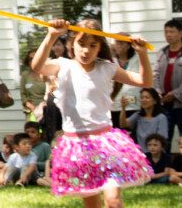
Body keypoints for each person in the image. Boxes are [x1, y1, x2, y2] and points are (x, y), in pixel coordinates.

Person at [29, 18, 153, 207]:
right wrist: (51, 35)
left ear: (99, 47)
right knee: (92, 204)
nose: (86, 50)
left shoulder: (107, 68)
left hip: (104, 143)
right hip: (77, 146)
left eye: (92, 45)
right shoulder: (63, 66)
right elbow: (37, 66)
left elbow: (145, 81)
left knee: (113, 201)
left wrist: (142, 54)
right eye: (81, 44)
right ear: (72, 44)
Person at [154, 19, 182, 146]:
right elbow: (155, 74)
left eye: (172, 32)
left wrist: (175, 94)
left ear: (181, 33)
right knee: (164, 138)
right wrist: (157, 93)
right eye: (166, 32)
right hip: (164, 104)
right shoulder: (162, 52)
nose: (168, 35)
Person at [120, 88, 168, 153]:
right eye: (142, 98)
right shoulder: (138, 115)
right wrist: (123, 108)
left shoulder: (161, 118)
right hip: (140, 154)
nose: (143, 100)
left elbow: (161, 139)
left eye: (147, 97)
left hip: (155, 154)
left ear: (155, 101)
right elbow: (123, 124)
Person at [108, 40, 141, 131]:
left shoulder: (137, 59)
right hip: (114, 107)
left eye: (120, 43)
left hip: (134, 106)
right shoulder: (110, 61)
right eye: (116, 43)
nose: (117, 46)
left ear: (128, 46)